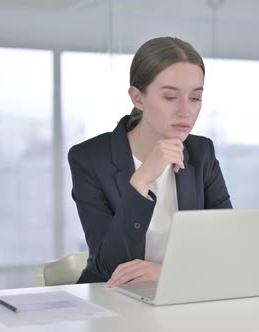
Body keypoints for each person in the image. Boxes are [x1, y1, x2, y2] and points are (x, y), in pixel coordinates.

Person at [68, 36, 232, 287]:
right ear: (138, 98)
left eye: (195, 98)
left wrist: (167, 273)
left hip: (183, 296)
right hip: (113, 302)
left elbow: (227, 248)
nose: (186, 111)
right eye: (170, 97)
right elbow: (108, 270)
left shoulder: (202, 153)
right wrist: (142, 179)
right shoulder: (89, 159)